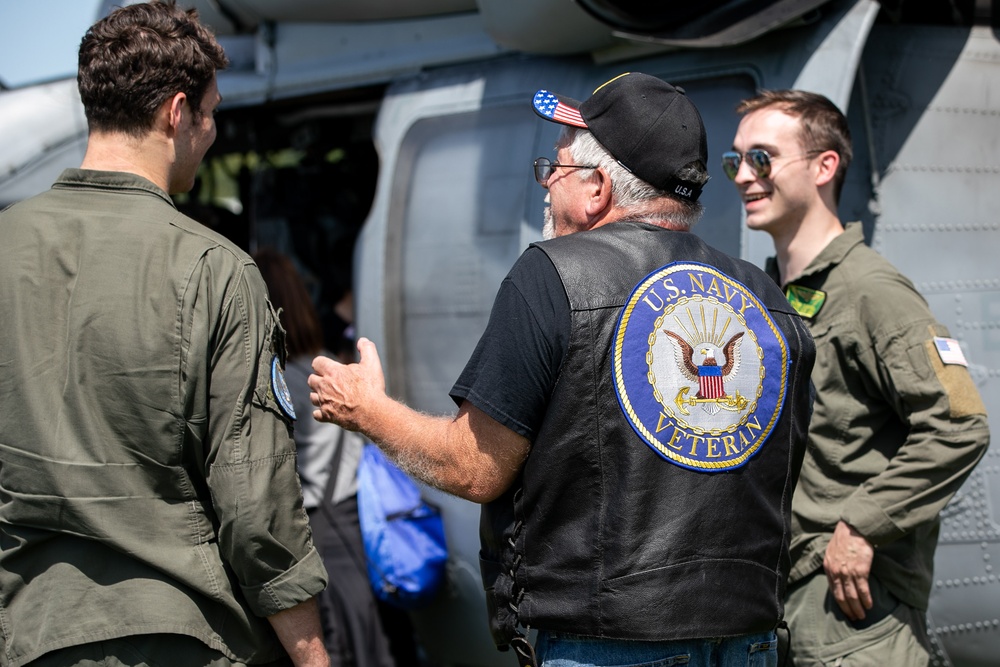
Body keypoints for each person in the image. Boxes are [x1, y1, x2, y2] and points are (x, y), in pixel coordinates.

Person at [309, 72, 816, 667]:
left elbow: (473, 468)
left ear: (597, 189)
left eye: (556, 170)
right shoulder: (770, 301)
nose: (547, 186)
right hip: (747, 637)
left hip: (605, 640)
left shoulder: (552, 275)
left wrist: (368, 411)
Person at [0, 3, 329, 666]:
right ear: (178, 113)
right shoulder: (215, 270)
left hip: (29, 635)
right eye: (211, 114)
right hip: (179, 638)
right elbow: (256, 507)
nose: (210, 134)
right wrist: (314, 656)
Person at [725, 89, 990, 666]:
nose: (744, 175)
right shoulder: (777, 298)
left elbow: (960, 424)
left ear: (825, 166)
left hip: (854, 616)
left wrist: (861, 526)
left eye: (762, 158)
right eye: (736, 161)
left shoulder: (872, 292)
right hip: (786, 605)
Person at [253, 248, 399, 667]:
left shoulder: (274, 384)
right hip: (353, 519)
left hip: (317, 527)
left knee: (336, 641)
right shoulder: (330, 369)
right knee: (368, 635)